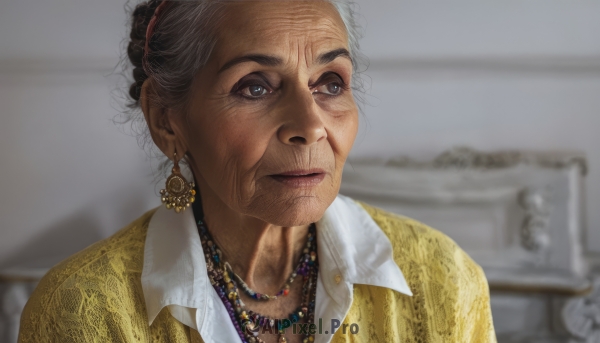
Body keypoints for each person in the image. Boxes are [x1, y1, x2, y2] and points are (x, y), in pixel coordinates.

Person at [18, 1, 496, 342]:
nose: (310, 127)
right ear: (167, 119)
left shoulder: (443, 281)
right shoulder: (86, 310)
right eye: (254, 88)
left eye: (330, 83)